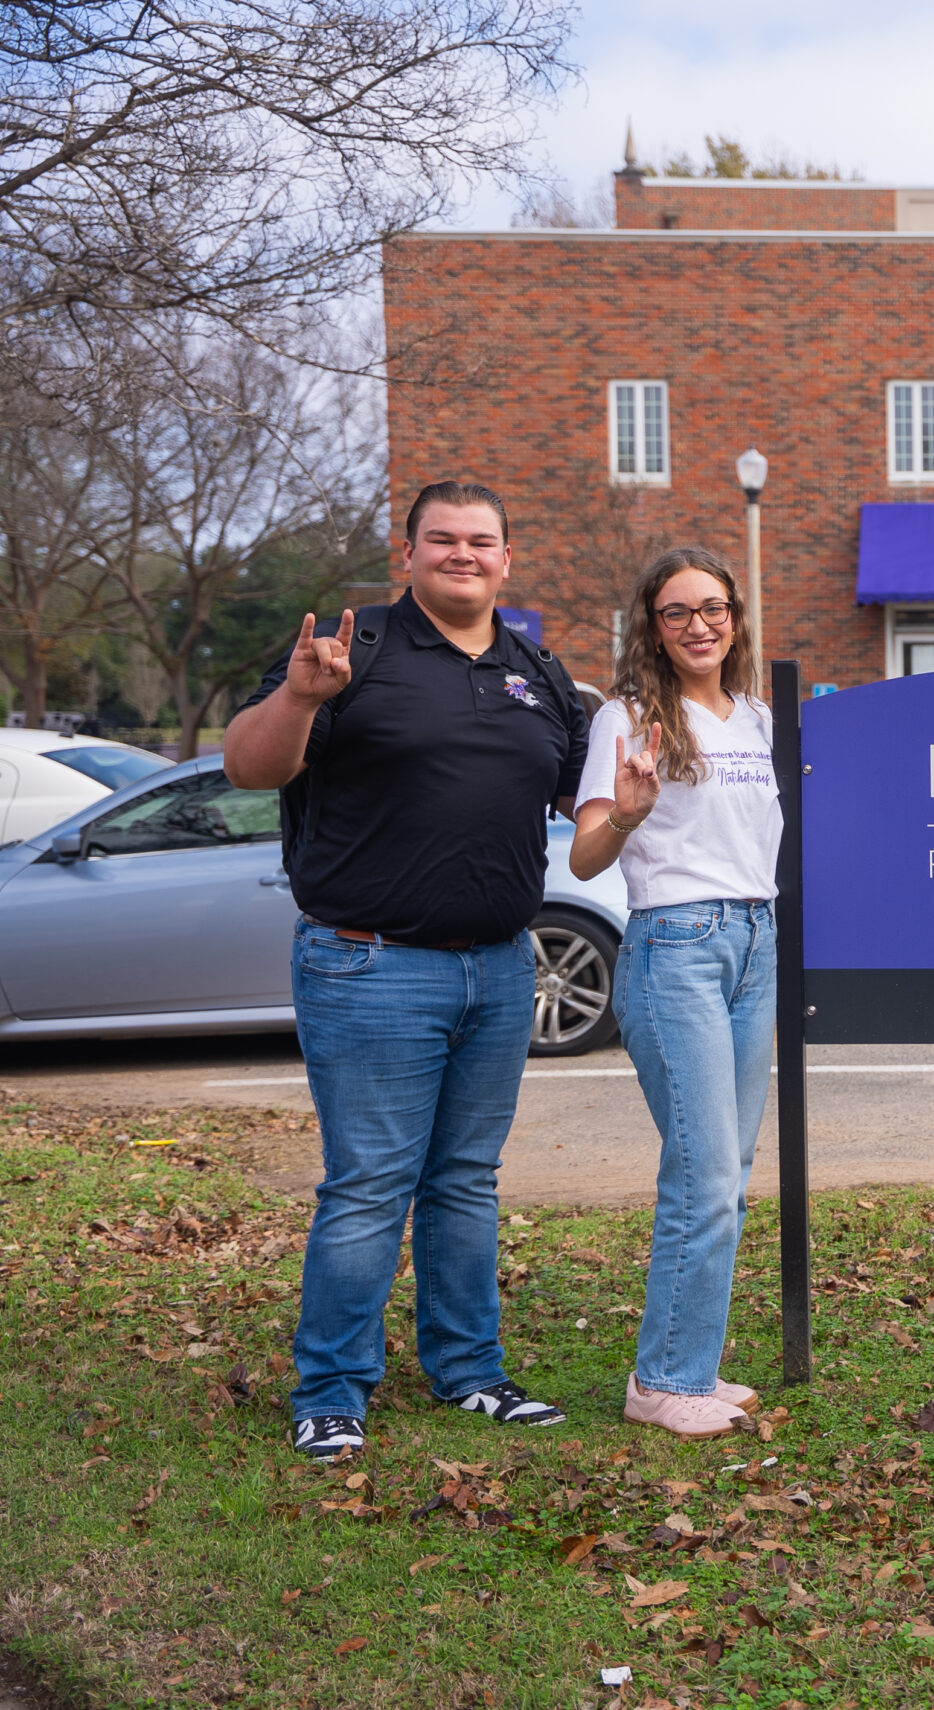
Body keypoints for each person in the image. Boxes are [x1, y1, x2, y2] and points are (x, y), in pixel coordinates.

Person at [224, 481, 586, 1460]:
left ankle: (469, 1372)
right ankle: (332, 1388)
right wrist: (301, 694)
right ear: (411, 550)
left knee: (465, 1182)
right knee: (372, 1184)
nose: (463, 555)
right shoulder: (355, 649)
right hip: (369, 966)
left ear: (509, 558)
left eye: (482, 542)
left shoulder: (536, 673)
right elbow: (250, 769)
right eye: (444, 540)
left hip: (503, 969)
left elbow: (591, 801)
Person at [569, 547, 781, 1439]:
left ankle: (690, 1363)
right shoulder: (627, 717)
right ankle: (664, 1380)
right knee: (702, 1178)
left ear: (735, 616)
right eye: (676, 612)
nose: (699, 625)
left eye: (714, 608)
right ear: (650, 628)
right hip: (677, 947)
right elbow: (584, 858)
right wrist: (627, 811)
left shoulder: (760, 719)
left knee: (724, 1173)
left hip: (756, 943)